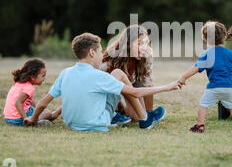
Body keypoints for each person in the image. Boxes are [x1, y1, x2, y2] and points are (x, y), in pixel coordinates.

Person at [24, 32, 180, 132]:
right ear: (92, 52)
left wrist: (33, 119)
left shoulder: (65, 73)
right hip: (97, 123)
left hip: (71, 124)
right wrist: (167, 87)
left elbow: (44, 102)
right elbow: (135, 92)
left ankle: (140, 116)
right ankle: (145, 120)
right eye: (99, 51)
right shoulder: (100, 75)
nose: (101, 54)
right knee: (118, 73)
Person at [178, 21, 232, 133]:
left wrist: (183, 77)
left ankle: (200, 125)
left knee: (203, 105)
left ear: (205, 38)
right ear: (225, 37)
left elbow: (195, 68)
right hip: (230, 87)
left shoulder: (207, 54)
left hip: (214, 87)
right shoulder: (229, 53)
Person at [101, 25, 156, 123]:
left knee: (138, 118)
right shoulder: (112, 58)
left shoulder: (146, 57)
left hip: (131, 89)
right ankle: (115, 112)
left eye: (146, 44)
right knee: (134, 116)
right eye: (139, 44)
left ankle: (145, 114)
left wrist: (149, 112)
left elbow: (148, 84)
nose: (144, 48)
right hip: (111, 93)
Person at [4, 59, 61, 126]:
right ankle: (34, 122)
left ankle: (38, 119)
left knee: (40, 111)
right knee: (47, 113)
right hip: (19, 119)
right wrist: (26, 119)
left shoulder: (19, 83)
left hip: (8, 119)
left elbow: (29, 101)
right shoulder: (29, 88)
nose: (44, 78)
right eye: (43, 76)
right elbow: (18, 103)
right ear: (33, 77)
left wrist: (36, 110)